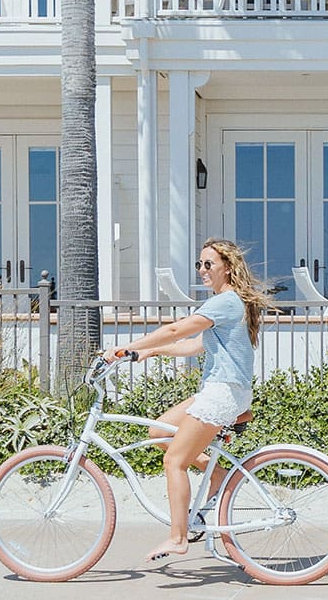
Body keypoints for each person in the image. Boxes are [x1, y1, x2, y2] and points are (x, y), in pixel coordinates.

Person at [103, 238, 271, 562]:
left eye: (208, 264)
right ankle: (218, 475)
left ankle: (178, 538)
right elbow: (193, 345)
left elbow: (176, 330)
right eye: (199, 264)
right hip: (220, 389)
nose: (202, 270)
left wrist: (125, 346)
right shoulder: (227, 303)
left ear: (227, 267)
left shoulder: (225, 302)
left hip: (222, 391)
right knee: (160, 432)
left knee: (175, 461)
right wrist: (147, 352)